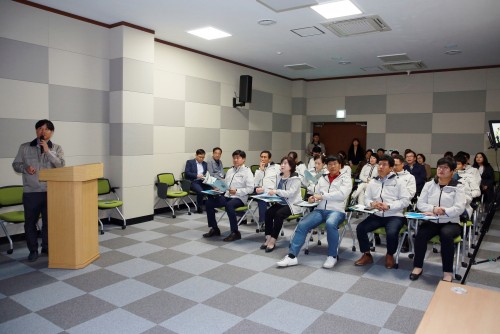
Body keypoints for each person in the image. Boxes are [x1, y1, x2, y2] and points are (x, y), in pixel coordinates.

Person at [277, 155, 352, 269]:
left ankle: (332, 256)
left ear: (340, 165)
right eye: (330, 164)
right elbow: (316, 192)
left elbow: (341, 195)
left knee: (331, 224)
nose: (332, 166)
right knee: (303, 223)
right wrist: (312, 198)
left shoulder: (345, 178)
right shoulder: (322, 177)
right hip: (320, 210)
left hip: (336, 211)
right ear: (326, 166)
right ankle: (292, 256)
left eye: (335, 164)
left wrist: (322, 196)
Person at [12, 119, 65, 262]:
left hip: (51, 191)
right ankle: (33, 250)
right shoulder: (24, 147)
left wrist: (48, 152)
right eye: (40, 129)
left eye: (47, 129)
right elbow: (16, 165)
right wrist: (25, 168)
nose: (43, 132)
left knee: (49, 222)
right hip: (31, 192)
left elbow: (60, 166)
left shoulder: (57, 148)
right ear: (36, 131)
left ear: (51, 132)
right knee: (30, 222)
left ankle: (47, 247)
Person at [409, 157, 466, 282]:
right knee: (421, 235)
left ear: (452, 171)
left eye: (445, 168)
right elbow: (421, 204)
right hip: (432, 220)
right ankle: (417, 266)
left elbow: (460, 207)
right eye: (440, 167)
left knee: (446, 235)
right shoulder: (429, 184)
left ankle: (447, 272)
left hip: (451, 222)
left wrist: (444, 211)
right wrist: (434, 209)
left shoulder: (458, 186)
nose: (441, 170)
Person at [354, 155, 411, 269]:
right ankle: (366, 254)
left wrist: (389, 206)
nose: (380, 167)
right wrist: (372, 204)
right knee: (361, 228)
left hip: (394, 215)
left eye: (384, 164)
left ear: (391, 167)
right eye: (379, 164)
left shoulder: (399, 182)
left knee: (391, 232)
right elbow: (366, 198)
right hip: (377, 214)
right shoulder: (373, 182)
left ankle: (390, 254)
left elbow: (405, 201)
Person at [203, 150, 254, 241]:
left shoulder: (247, 172)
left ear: (243, 159)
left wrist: (237, 191)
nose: (235, 160)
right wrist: (219, 188)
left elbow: (250, 189)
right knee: (209, 203)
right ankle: (214, 229)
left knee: (229, 205)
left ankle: (235, 232)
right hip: (227, 196)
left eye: (238, 158)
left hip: (239, 198)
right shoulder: (230, 170)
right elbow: (226, 185)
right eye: (234, 158)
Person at [260, 156, 302, 252]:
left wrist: (276, 191)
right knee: (268, 213)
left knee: (279, 214)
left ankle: (273, 240)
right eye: (282, 163)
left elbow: (290, 193)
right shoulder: (279, 176)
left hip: (292, 204)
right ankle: (268, 237)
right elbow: (273, 189)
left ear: (291, 166)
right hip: (281, 202)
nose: (282, 165)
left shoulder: (295, 178)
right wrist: (264, 190)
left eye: (285, 163)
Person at [254, 150, 279, 227]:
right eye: (261, 157)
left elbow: (277, 183)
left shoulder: (276, 168)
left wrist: (265, 189)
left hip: (271, 191)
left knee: (262, 195)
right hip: (259, 190)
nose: (262, 159)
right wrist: (261, 170)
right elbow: (255, 183)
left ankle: (263, 221)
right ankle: (263, 221)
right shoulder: (258, 170)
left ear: (269, 159)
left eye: (265, 157)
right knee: (260, 195)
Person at [184, 149, 211, 213]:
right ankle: (199, 207)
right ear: (196, 155)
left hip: (202, 181)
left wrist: (206, 177)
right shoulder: (190, 162)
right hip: (193, 181)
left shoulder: (205, 164)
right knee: (200, 191)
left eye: (203, 157)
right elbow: (187, 173)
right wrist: (196, 175)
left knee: (211, 190)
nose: (201, 159)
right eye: (200, 157)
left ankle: (210, 206)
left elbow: (206, 173)